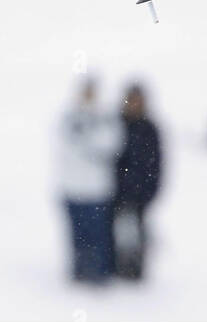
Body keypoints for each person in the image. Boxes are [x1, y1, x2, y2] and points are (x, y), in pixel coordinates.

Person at [55, 79, 122, 283]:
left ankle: (98, 273)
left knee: (97, 236)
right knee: (78, 235)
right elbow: (63, 146)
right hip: (72, 188)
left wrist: (86, 140)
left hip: (97, 190)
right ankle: (79, 271)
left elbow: (111, 145)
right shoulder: (69, 116)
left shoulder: (105, 117)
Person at [113, 83, 163, 280]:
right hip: (115, 195)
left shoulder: (149, 129)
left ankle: (134, 272)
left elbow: (156, 165)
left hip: (140, 196)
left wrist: (147, 191)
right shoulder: (115, 124)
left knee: (135, 237)